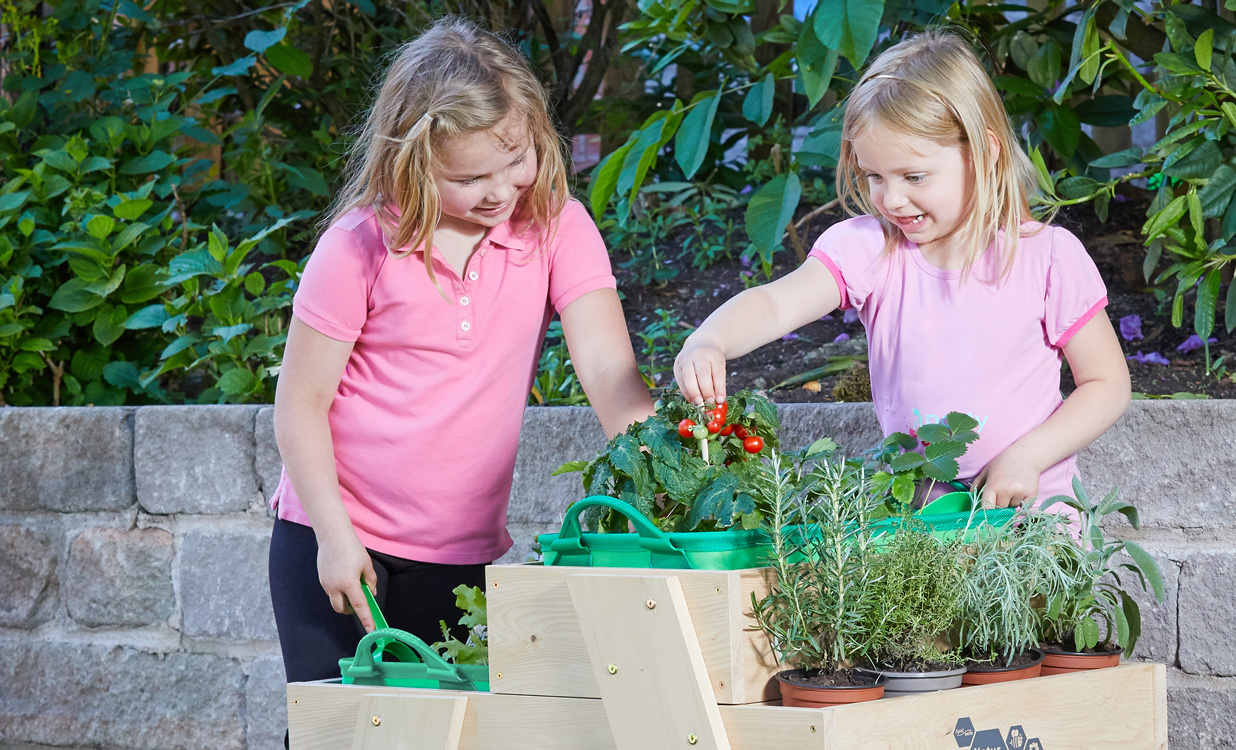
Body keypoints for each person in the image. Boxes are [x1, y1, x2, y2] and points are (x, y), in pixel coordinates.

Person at [268, 18, 655, 689]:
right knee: (339, 733)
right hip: (335, 541)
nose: (504, 190)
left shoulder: (556, 226)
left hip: (460, 555)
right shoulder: (357, 245)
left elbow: (606, 371)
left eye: (517, 159)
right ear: (411, 161)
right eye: (473, 178)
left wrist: (663, 472)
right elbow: (300, 404)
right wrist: (333, 537)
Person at [674, 30, 1131, 512]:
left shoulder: (1046, 257)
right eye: (875, 177)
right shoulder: (870, 250)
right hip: (914, 522)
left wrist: (1028, 456)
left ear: (984, 153)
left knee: (1037, 586)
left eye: (914, 177)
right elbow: (774, 303)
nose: (891, 199)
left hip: (1030, 511)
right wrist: (711, 339)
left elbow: (1106, 383)